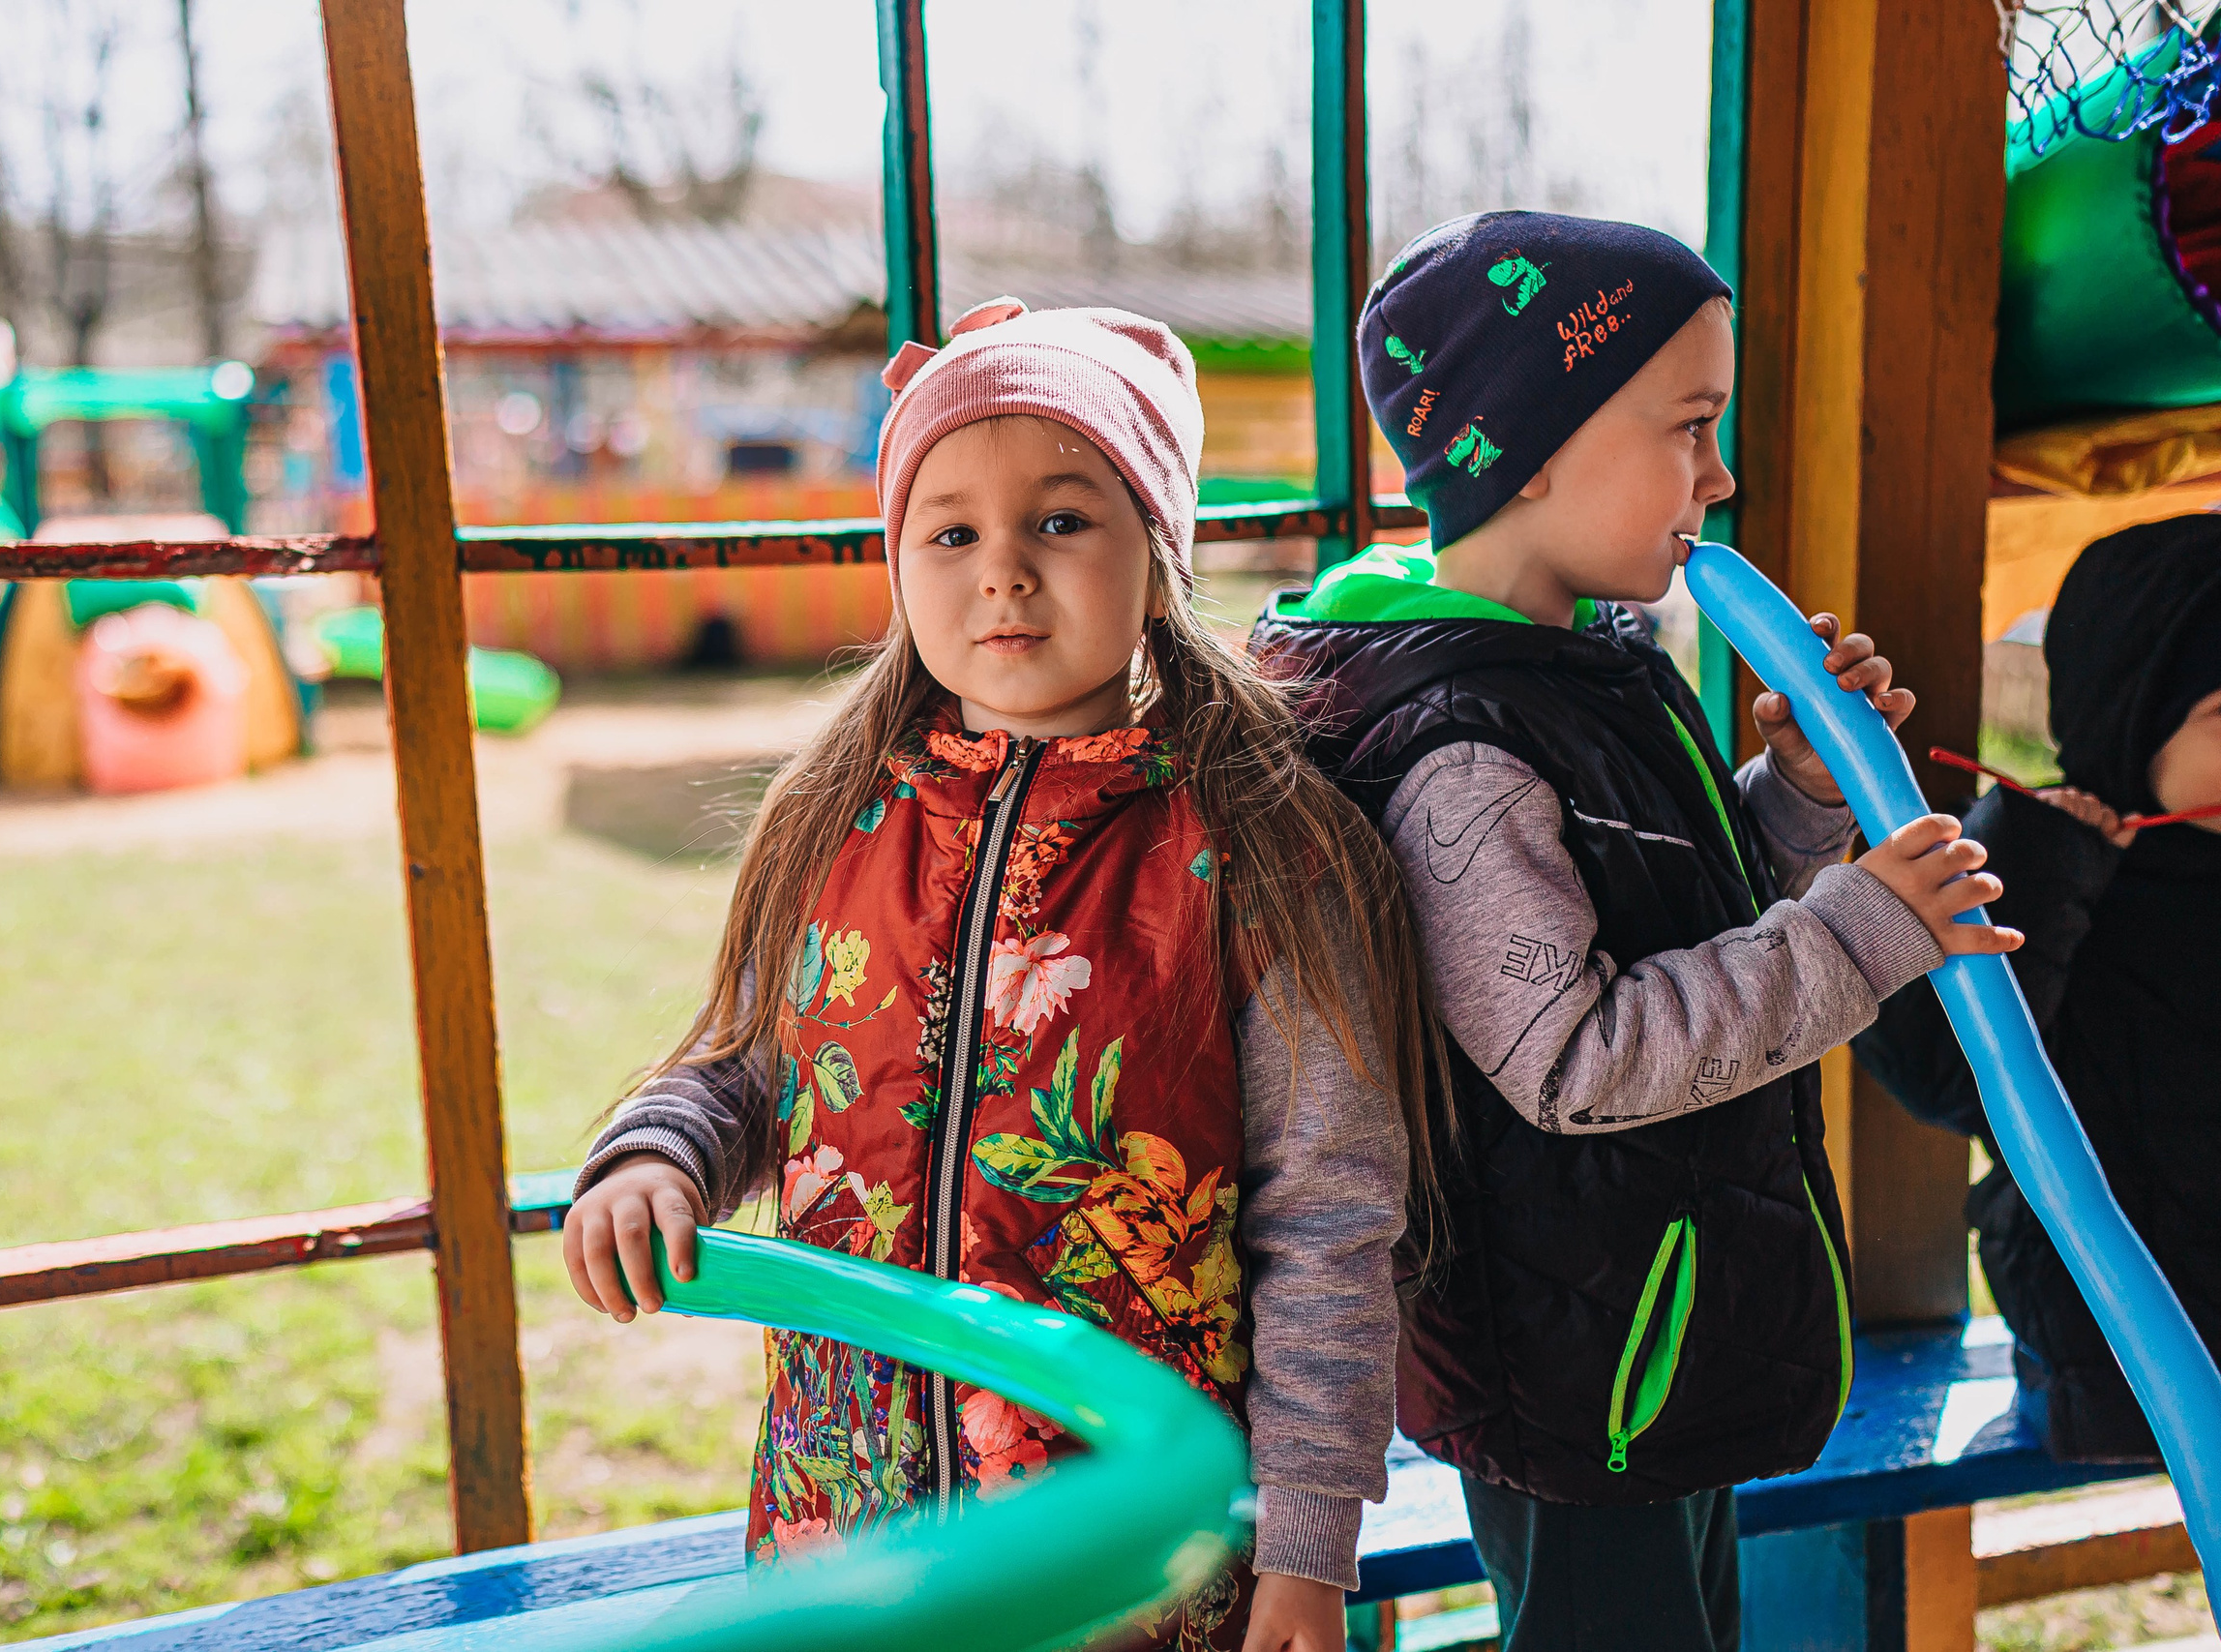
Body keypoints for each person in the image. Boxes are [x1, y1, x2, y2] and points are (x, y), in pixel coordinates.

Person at [559, 298, 1445, 1652]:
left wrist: (1310, 1546)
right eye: (953, 529)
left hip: (1138, 1555)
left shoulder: (1264, 845)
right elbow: (748, 1062)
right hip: (846, 1530)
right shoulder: (835, 812)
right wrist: (657, 1155)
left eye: (1064, 518)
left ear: (1158, 556)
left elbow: (1328, 1225)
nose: (1004, 571)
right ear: (900, 561)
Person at [1249, 212, 2016, 1652]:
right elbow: (1577, 1049)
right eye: (1690, 425)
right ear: (1526, 450)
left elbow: (1666, 905)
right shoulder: (1461, 747)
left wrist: (1789, 797)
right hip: (1582, 1355)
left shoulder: (1580, 664)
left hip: (1652, 1315)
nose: (1720, 477)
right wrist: (1858, 932)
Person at [1855, 517, 2221, 1463]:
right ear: (2128, 713)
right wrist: (2038, 857)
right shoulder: (2041, 870)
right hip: (2110, 1353)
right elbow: (1937, 1069)